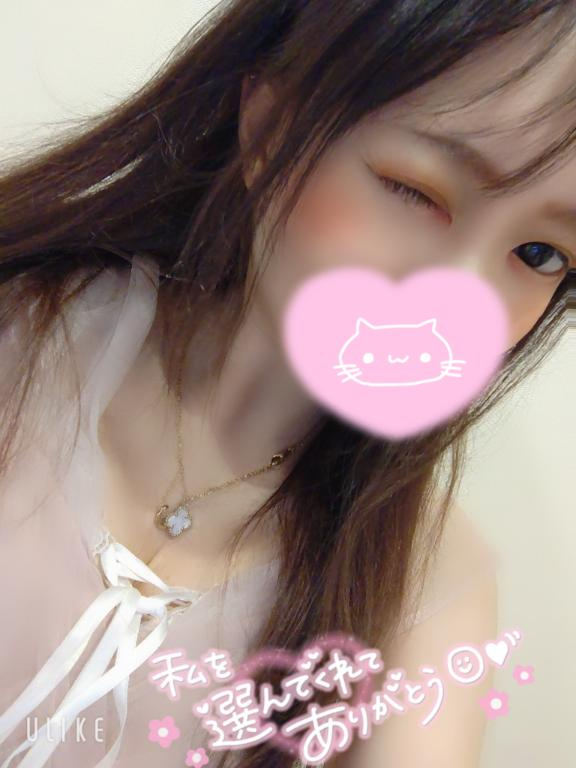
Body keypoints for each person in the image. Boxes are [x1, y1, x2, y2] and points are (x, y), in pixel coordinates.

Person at [0, 1, 574, 766]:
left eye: (539, 254)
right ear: (271, 125)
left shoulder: (422, 590)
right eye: (415, 190)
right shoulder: (23, 336)